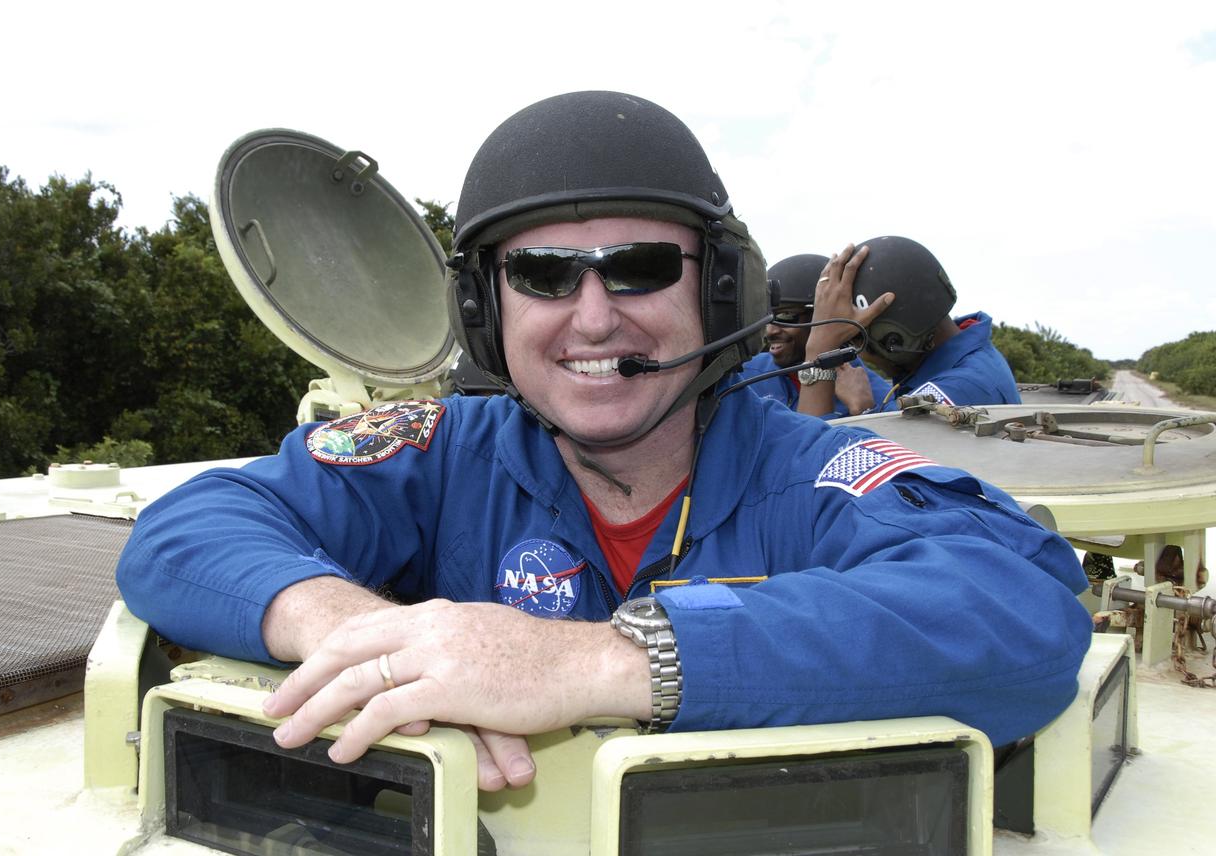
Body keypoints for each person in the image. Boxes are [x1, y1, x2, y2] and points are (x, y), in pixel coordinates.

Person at [115, 91, 1091, 794]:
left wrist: (597, 661)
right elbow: (190, 527)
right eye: (540, 274)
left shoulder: (811, 468)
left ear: (717, 290)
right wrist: (354, 633)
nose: (590, 319)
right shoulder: (441, 449)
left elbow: (1015, 605)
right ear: (484, 310)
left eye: (636, 269)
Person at [798, 237, 1021, 417]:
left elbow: (811, 460)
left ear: (894, 339)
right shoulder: (968, 361)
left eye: (856, 339)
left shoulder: (956, 389)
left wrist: (819, 347)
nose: (858, 351)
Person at [730, 253, 890, 418]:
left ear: (825, 315)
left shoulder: (863, 384)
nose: (771, 331)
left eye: (785, 315)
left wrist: (866, 412)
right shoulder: (744, 377)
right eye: (765, 317)